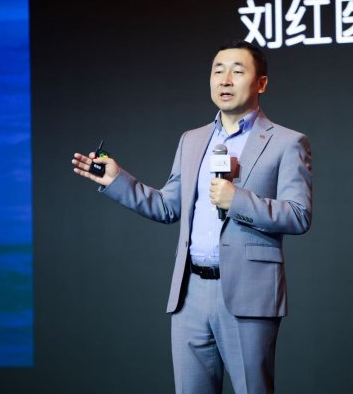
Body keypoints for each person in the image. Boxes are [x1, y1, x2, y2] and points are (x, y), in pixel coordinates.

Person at [71, 40, 312, 394]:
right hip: (190, 295)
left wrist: (237, 201)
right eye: (218, 71)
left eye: (237, 71)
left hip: (249, 295)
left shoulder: (286, 142)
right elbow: (168, 207)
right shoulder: (193, 139)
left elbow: (299, 214)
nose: (225, 80)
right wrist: (117, 180)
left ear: (261, 83)